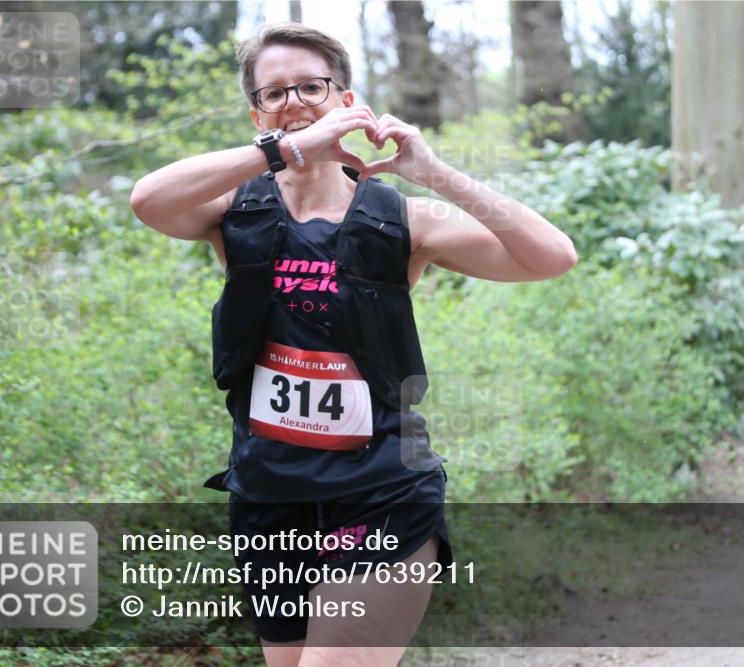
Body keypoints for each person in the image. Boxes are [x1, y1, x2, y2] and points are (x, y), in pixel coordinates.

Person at [130, 21, 577, 667]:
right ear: (256, 111)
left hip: (381, 490)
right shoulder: (234, 210)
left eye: (310, 86)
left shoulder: (403, 218)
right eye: (274, 92)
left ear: (346, 100)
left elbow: (551, 256)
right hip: (268, 491)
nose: (293, 102)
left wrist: (436, 173)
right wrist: (280, 150)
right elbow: (148, 199)